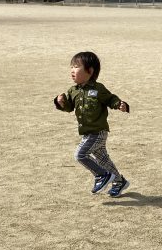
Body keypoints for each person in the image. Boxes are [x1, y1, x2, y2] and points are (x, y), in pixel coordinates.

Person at [54, 51, 131, 197]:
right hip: (88, 132)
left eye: (76, 66)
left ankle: (102, 175)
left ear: (90, 71)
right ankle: (119, 181)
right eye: (71, 66)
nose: (72, 70)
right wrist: (61, 102)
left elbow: (110, 99)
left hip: (98, 131)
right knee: (103, 159)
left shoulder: (98, 88)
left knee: (80, 154)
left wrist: (119, 104)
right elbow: (69, 107)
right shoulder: (73, 91)